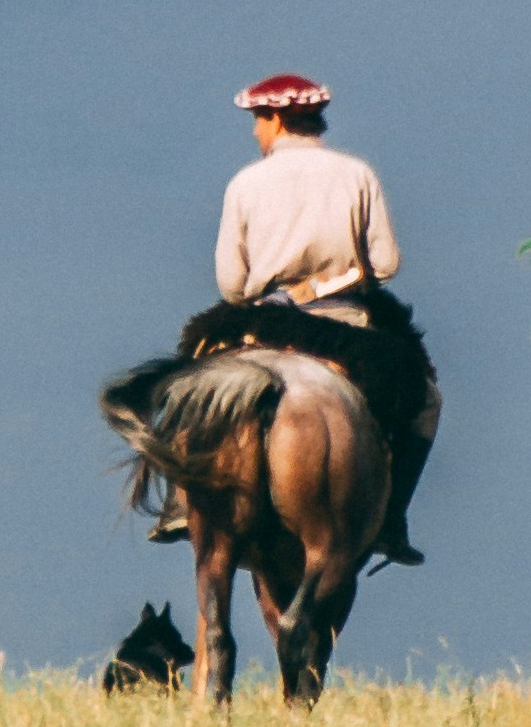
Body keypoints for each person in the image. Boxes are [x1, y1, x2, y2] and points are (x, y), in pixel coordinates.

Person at [148, 75, 438, 565]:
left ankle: (181, 503)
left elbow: (232, 286)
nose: (256, 133)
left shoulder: (245, 182)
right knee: (424, 399)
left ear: (278, 119)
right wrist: (325, 284)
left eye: (259, 121)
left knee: (188, 389)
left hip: (260, 324)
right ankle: (391, 518)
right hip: (344, 321)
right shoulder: (356, 174)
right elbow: (385, 263)